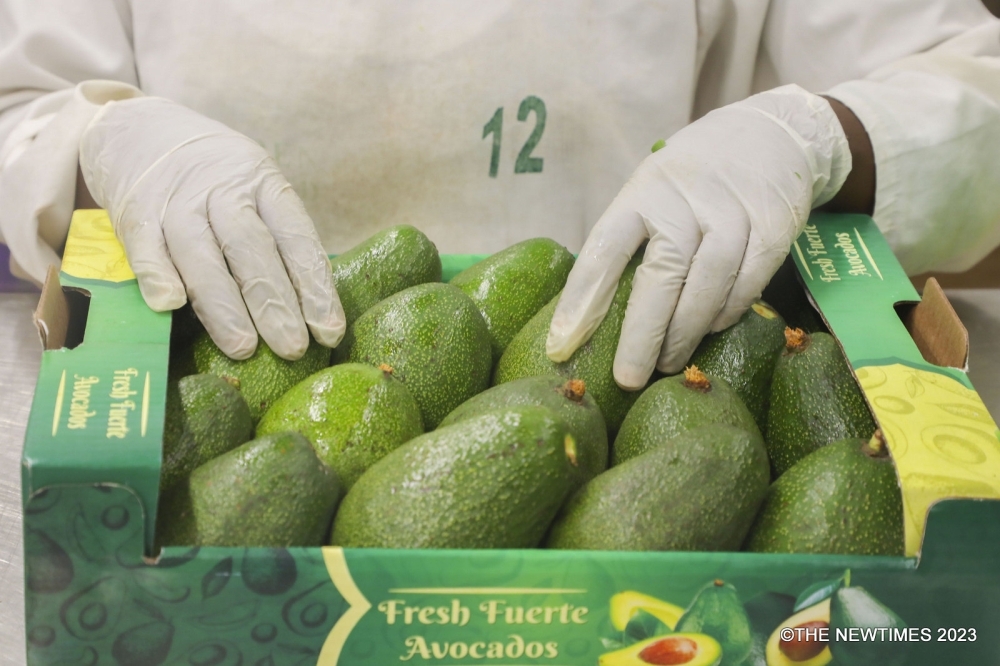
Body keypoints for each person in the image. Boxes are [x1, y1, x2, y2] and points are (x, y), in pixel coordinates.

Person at [2, 1, 999, 392]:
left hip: (632, 382)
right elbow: (19, 100)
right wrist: (105, 142)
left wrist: (813, 138)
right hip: (217, 380)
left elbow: (970, 83)